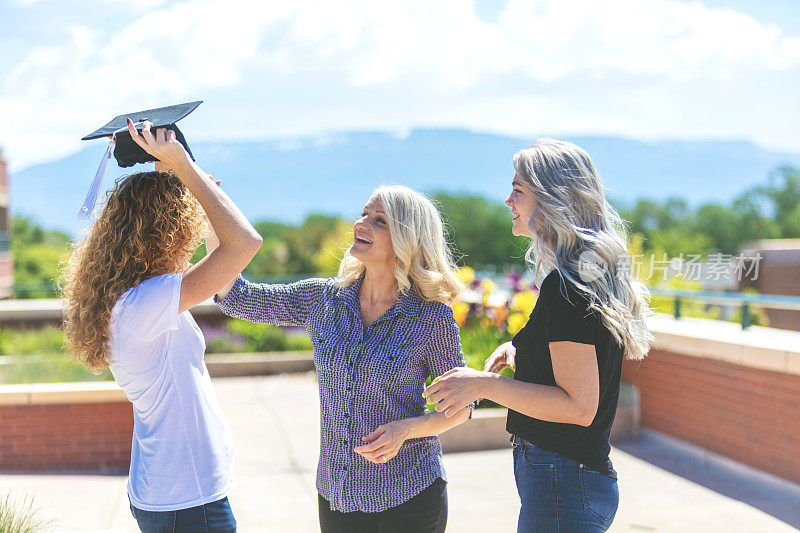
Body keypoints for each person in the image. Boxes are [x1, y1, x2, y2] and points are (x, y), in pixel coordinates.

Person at [209, 185, 470, 533]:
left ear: (407, 239)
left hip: (410, 495)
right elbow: (237, 297)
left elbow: (460, 408)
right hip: (337, 494)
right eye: (364, 214)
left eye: (379, 221)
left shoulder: (430, 318)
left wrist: (404, 430)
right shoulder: (323, 299)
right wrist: (210, 214)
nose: (361, 224)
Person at [423, 139, 653, 532]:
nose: (507, 201)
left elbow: (579, 407)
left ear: (551, 200)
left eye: (518, 191)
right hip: (569, 482)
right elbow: (575, 353)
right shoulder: (585, 273)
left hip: (563, 483)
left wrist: (482, 384)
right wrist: (518, 350)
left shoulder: (568, 284)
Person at [62, 119, 262, 532]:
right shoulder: (144, 304)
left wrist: (168, 167)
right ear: (166, 232)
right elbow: (244, 244)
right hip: (187, 500)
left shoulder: (134, 298)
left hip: (172, 493)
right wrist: (187, 170)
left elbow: (224, 276)